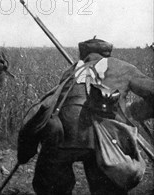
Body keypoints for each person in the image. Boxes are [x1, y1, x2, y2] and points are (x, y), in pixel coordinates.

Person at [27, 38, 154, 195]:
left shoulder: (71, 72)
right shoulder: (124, 68)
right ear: (107, 53)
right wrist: (135, 112)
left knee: (53, 187)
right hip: (105, 140)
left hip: (63, 138)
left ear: (82, 54)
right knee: (107, 187)